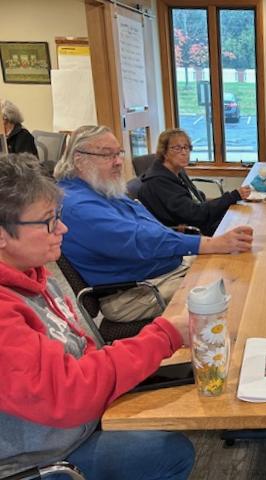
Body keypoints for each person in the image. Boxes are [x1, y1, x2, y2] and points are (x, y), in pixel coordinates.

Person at [0, 153, 195, 479]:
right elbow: (68, 393)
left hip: (76, 423)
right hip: (39, 461)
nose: (62, 227)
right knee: (168, 453)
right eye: (48, 220)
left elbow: (84, 349)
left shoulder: (35, 277)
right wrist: (165, 335)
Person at [53, 125, 253, 322]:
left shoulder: (100, 188)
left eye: (119, 153)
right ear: (79, 160)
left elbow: (148, 225)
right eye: (107, 155)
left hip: (161, 272)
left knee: (236, 266)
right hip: (134, 293)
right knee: (233, 287)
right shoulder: (78, 206)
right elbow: (142, 240)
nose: (118, 162)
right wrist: (211, 244)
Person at [138, 128, 251, 236]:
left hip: (197, 219)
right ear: (164, 152)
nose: (184, 153)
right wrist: (232, 196)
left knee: (242, 219)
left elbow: (194, 205)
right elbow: (194, 214)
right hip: (187, 232)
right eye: (177, 148)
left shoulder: (177, 170)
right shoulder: (159, 182)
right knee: (241, 227)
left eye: (186, 147)